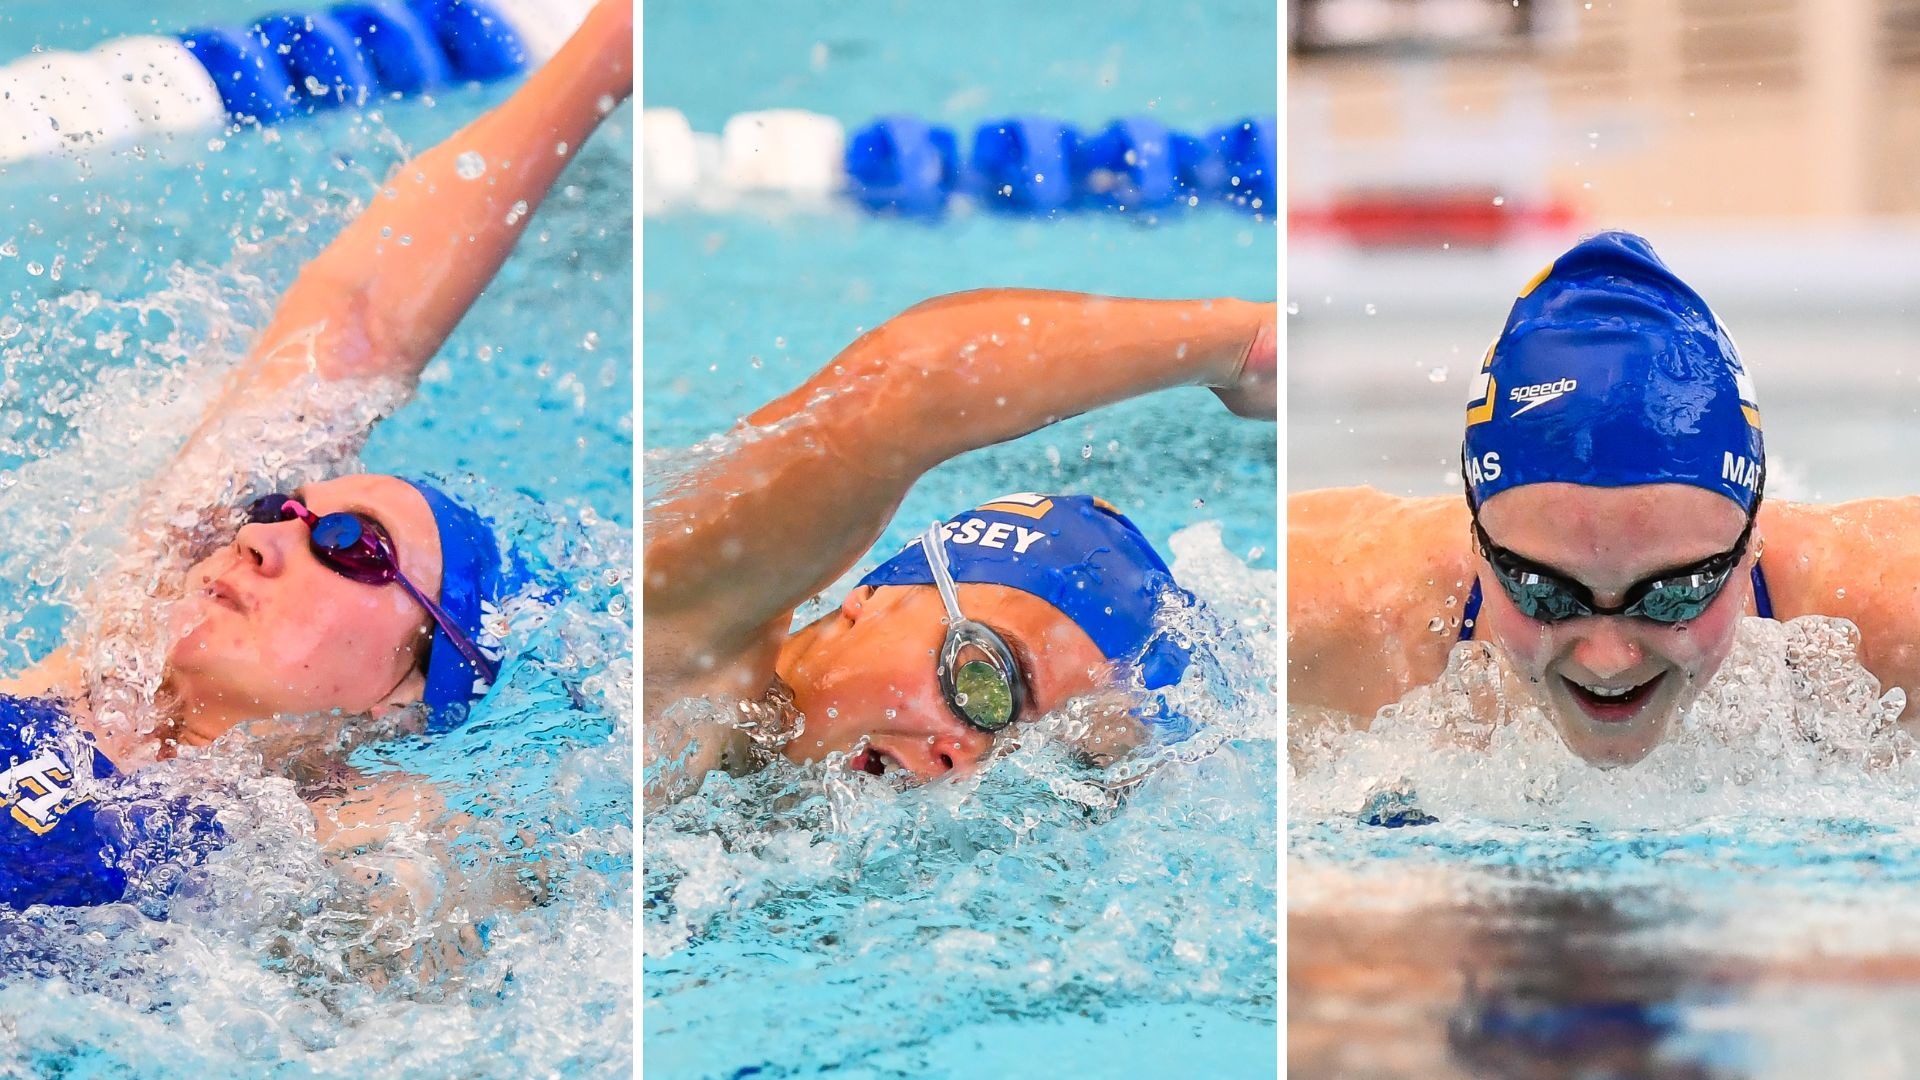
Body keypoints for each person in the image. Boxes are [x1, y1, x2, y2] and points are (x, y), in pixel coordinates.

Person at [0, 1, 633, 911]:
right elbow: (355, 331)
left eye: (351, 544)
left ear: (403, 691)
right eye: (277, 512)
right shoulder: (92, 682)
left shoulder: (358, 857)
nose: (260, 539)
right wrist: (609, 47)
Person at [1290, 229, 1920, 768]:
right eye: (1542, 591)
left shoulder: (1889, 621)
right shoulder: (1335, 618)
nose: (1609, 661)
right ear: (1476, 536)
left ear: (1752, 536)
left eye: (1675, 593)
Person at [644, 289, 1276, 801]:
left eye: (1036, 756)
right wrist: (1243, 345)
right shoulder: (682, 647)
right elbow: (905, 388)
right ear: (874, 596)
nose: (967, 762)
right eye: (984, 684)